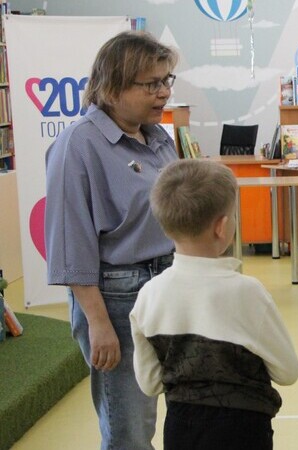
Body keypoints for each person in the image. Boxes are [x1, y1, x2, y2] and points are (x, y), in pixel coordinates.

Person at [44, 31, 179, 450]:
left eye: (166, 80)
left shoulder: (158, 138)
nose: (163, 92)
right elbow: (71, 243)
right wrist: (98, 324)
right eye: (151, 84)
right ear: (113, 87)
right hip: (117, 299)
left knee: (171, 413)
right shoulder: (78, 144)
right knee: (129, 431)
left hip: (168, 285)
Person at [130, 159, 298, 450]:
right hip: (245, 431)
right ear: (222, 227)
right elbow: (288, 371)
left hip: (181, 430)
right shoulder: (248, 293)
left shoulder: (149, 295)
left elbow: (150, 384)